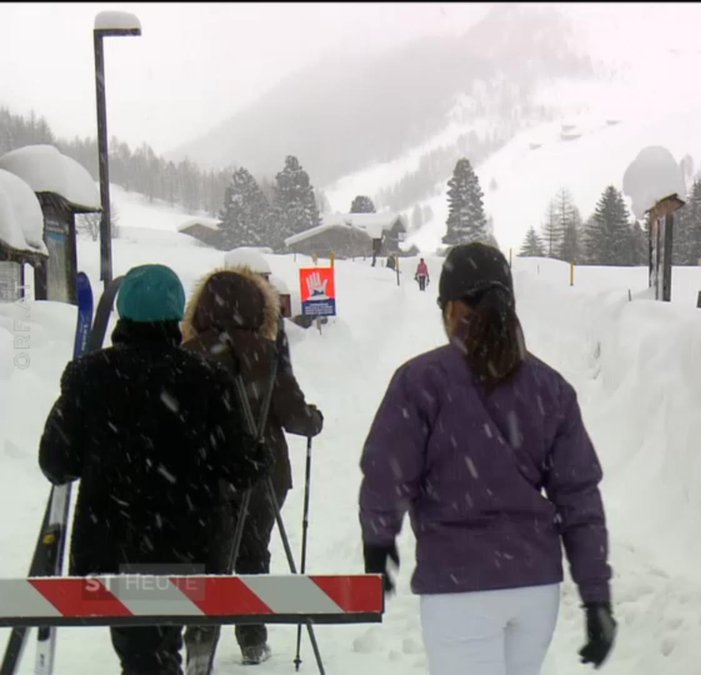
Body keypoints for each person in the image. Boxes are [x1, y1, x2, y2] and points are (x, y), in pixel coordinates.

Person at [359, 242, 616, 675]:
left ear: (453, 307)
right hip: (535, 591)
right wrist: (596, 597)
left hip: (459, 589)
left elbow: (388, 471)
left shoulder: (421, 381)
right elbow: (579, 497)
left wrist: (378, 539)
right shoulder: (550, 387)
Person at [38, 264, 267, 675]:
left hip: (113, 551)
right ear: (176, 314)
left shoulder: (89, 376)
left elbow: (56, 463)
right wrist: (256, 452)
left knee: (143, 654)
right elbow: (240, 467)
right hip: (188, 552)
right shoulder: (207, 380)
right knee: (155, 654)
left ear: (123, 314)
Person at [180, 263, 325, 670]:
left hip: (206, 470)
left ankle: (200, 639)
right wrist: (312, 420)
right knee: (253, 550)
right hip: (264, 470)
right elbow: (294, 415)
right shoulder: (266, 353)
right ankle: (253, 639)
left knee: (209, 556)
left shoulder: (188, 354)